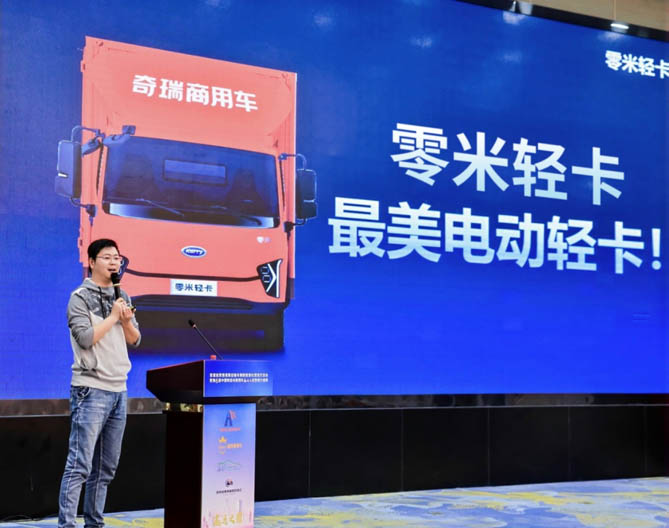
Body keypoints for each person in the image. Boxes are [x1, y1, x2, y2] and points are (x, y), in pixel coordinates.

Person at [58, 238, 141, 528]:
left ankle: (94, 523)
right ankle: (68, 524)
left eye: (117, 257)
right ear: (92, 262)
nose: (114, 262)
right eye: (107, 257)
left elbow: (135, 340)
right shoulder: (79, 297)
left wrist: (126, 320)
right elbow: (85, 338)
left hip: (119, 389)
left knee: (106, 468)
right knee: (79, 465)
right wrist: (114, 316)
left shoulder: (122, 295)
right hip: (90, 388)